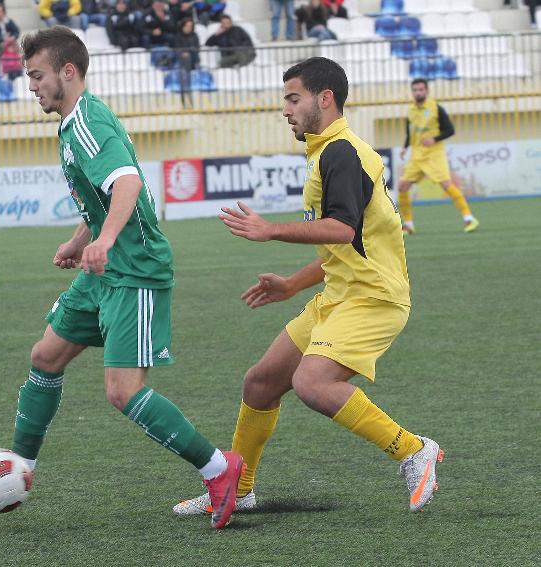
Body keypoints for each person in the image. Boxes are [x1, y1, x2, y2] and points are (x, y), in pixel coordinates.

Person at [0, 26, 244, 530]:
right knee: (46, 356)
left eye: (37, 75)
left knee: (122, 391)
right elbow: (102, 195)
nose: (31, 86)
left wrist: (106, 240)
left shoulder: (87, 120)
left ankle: (220, 470)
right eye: (29, 77)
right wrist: (80, 238)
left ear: (68, 71)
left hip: (135, 269)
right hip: (103, 271)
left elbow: (129, 182)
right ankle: (21, 465)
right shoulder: (72, 124)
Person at [173, 57, 444, 518]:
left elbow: (340, 230)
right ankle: (238, 489)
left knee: (313, 384)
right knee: (260, 383)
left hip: (373, 298)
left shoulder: (342, 152)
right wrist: (291, 285)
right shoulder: (326, 152)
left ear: (325, 99)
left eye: (293, 98)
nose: (285, 109)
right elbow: (346, 248)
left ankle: (413, 449)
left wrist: (269, 230)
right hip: (339, 295)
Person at [397, 78, 479, 234]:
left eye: (421, 89)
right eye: (415, 90)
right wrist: (405, 146)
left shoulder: (436, 108)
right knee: (402, 186)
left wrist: (434, 139)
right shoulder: (411, 111)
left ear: (427, 91)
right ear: (412, 92)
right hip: (417, 156)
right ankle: (408, 225)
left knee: (447, 185)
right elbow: (410, 131)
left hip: (434, 154)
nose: (418, 92)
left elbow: (450, 130)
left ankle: (469, 218)